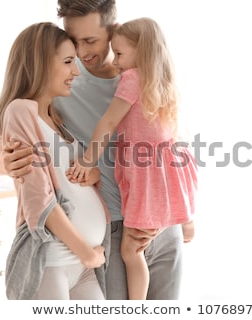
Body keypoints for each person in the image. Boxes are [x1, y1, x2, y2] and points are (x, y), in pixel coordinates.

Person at [0, 0, 187, 300]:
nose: (81, 53)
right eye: (74, 41)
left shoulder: (143, 74)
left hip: (162, 221)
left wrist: (180, 216)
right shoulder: (64, 80)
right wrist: (6, 160)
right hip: (116, 230)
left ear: (113, 31)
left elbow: (172, 144)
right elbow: (2, 140)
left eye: (90, 41)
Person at [67, 17, 198, 300]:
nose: (116, 62)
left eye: (120, 54)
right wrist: (185, 218)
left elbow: (108, 123)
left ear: (141, 51)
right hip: (164, 184)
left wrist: (87, 160)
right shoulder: (162, 82)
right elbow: (179, 152)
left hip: (146, 184)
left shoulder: (131, 78)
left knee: (130, 250)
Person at [0, 21, 108, 300]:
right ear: (40, 63)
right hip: (53, 260)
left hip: (83, 264)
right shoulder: (21, 111)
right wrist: (86, 252)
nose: (75, 71)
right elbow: (39, 199)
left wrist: (95, 176)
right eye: (68, 61)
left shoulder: (58, 121)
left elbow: (72, 183)